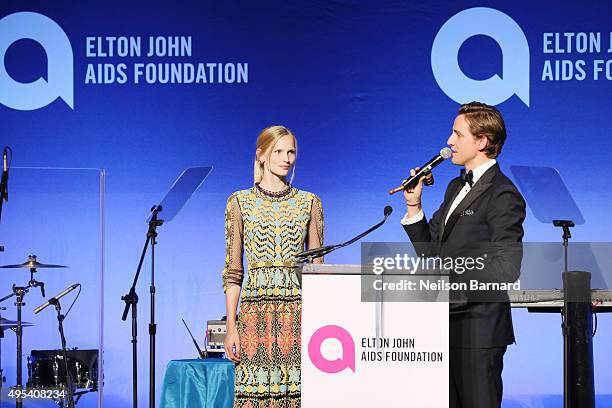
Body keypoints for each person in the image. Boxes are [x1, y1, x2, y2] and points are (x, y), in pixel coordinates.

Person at [401, 102, 526, 408]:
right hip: (445, 323)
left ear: (482, 142)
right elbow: (429, 251)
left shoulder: (503, 194)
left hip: (479, 330)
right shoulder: (455, 185)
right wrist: (414, 206)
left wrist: (448, 279)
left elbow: (506, 268)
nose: (449, 141)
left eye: (457, 134)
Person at [222, 125, 324, 408]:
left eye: (291, 151)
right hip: (254, 317)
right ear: (261, 155)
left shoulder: (310, 203)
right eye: (278, 151)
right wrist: (232, 325)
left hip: (297, 317)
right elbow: (233, 272)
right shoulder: (239, 202)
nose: (286, 158)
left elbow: (318, 270)